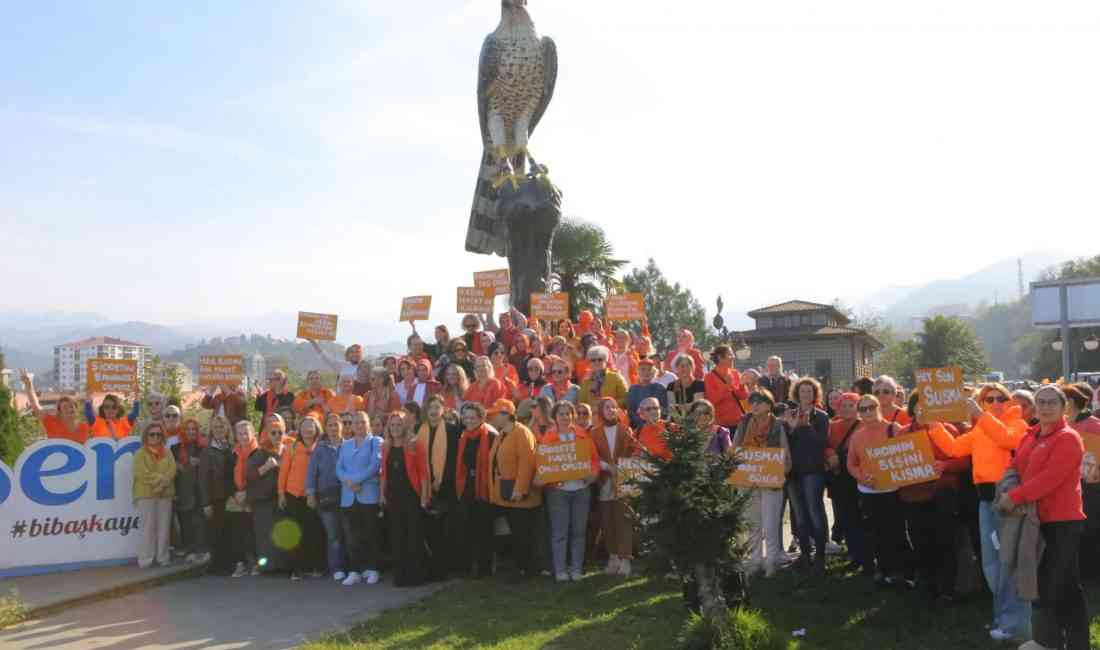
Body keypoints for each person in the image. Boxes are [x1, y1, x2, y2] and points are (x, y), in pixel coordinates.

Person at [927, 383, 1030, 641]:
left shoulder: (1017, 424)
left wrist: (979, 415)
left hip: (1006, 499)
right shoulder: (980, 428)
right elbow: (953, 448)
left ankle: (1014, 625)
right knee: (991, 562)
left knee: (1008, 562)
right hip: (984, 500)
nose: (995, 403)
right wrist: (933, 426)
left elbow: (1007, 439)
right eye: (988, 399)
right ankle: (1002, 618)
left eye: (1000, 398)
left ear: (1009, 402)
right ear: (982, 403)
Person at [1003, 385, 1088, 650]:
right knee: (1066, 587)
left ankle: (1047, 643)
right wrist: (1007, 486)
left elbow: (1049, 479)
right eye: (1041, 402)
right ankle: (1076, 644)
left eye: (1052, 402)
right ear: (1034, 407)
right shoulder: (1030, 435)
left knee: (1047, 587)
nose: (1046, 407)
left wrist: (1014, 497)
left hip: (1062, 522)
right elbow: (1015, 466)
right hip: (1035, 520)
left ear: (1065, 407)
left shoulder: (1068, 438)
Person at [898, 392, 971, 602]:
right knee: (921, 544)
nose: (923, 411)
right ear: (912, 409)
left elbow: (964, 462)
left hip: (942, 495)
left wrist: (945, 466)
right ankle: (929, 587)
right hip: (913, 497)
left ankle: (947, 590)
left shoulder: (947, 430)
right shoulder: (902, 433)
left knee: (945, 543)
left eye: (927, 407)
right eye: (919, 407)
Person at [847, 394, 913, 586]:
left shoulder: (894, 429)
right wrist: (862, 477)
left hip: (893, 490)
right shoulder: (857, 436)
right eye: (863, 409)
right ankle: (884, 571)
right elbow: (851, 464)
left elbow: (908, 454)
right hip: (869, 492)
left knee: (898, 532)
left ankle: (906, 573)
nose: (867, 412)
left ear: (878, 407)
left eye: (870, 407)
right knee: (876, 534)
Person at [536, 401, 600, 582]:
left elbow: (594, 460)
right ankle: (561, 570)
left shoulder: (583, 436)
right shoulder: (548, 438)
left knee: (579, 532)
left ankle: (577, 569)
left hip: (581, 490)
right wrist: (552, 477)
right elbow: (543, 465)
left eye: (567, 413)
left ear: (573, 416)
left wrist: (592, 475)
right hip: (558, 491)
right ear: (555, 417)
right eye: (561, 414)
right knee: (559, 532)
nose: (564, 417)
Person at [733, 389, 791, 577]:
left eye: (759, 401)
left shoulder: (777, 424)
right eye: (752, 402)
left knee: (771, 522)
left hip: (770, 480)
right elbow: (735, 449)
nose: (755, 405)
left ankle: (772, 562)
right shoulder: (744, 422)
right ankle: (754, 560)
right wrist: (734, 469)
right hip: (747, 480)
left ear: (769, 404)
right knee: (752, 523)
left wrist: (780, 472)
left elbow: (785, 452)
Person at [487, 399, 542, 582]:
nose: (492, 418)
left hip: (521, 497)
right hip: (506, 495)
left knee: (523, 535)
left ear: (506, 415)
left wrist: (520, 489)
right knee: (516, 535)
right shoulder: (502, 434)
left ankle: (529, 570)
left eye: (495, 414)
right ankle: (521, 569)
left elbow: (527, 463)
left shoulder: (521, 433)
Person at [380, 411, 430, 587]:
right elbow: (384, 473)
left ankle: (416, 576)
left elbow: (424, 473)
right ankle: (401, 576)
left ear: (405, 426)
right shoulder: (385, 446)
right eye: (392, 425)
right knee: (397, 535)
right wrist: (382, 495)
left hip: (412, 496)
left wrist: (424, 496)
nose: (395, 428)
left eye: (398, 424)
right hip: (394, 497)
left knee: (413, 536)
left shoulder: (415, 444)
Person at [591, 397, 638, 577]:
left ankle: (626, 559)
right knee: (607, 519)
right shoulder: (594, 433)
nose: (611, 410)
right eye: (607, 407)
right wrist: (606, 467)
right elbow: (592, 455)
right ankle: (613, 557)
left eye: (614, 407)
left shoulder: (625, 430)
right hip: (604, 480)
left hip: (623, 478)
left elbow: (633, 451)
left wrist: (619, 466)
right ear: (601, 411)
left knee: (624, 519)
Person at [418, 395, 462, 580]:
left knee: (447, 531)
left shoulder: (453, 431)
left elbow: (455, 461)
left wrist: (441, 481)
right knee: (431, 532)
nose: (434, 411)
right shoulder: (419, 431)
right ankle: (434, 568)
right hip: (426, 489)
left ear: (443, 410)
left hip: (447, 487)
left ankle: (447, 568)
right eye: (430, 407)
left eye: (437, 407)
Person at [336, 412, 383, 586]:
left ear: (368, 424)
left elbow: (375, 465)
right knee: (352, 536)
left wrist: (355, 480)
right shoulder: (345, 444)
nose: (359, 425)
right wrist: (348, 482)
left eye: (362, 422)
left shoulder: (376, 442)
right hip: (348, 496)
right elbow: (338, 468)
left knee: (371, 533)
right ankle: (355, 570)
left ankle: (373, 569)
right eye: (355, 423)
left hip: (368, 495)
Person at [453, 402, 499, 577]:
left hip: (485, 487)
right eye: (466, 417)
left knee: (484, 530)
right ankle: (468, 567)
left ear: (481, 418)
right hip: (467, 487)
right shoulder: (464, 436)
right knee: (468, 528)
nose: (468, 420)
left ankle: (484, 569)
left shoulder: (491, 436)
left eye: (472, 417)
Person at [277, 415, 325, 580]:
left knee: (314, 532)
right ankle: (295, 569)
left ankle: (315, 566)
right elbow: (283, 472)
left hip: (313, 496)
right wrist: (281, 493)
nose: (307, 430)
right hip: (293, 495)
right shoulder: (291, 447)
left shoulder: (321, 447)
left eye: (310, 427)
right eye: (304, 427)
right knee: (295, 533)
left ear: (316, 429)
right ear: (300, 430)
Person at [1063, 384, 1100, 582]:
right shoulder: (1061, 425)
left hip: (1090, 485)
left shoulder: (1093, 425)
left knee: (1090, 528)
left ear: (1073, 402)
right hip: (1068, 485)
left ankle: (1091, 573)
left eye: (1063, 400)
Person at [306, 413, 347, 582]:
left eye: (336, 425)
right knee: (333, 535)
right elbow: (311, 472)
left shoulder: (349, 445)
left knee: (348, 532)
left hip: (347, 495)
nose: (333, 428)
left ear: (342, 427)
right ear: (326, 428)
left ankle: (351, 567)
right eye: (330, 425)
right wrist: (310, 493)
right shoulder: (320, 448)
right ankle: (336, 568)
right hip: (326, 496)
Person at [825, 392, 864, 568]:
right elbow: (825, 446)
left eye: (851, 405)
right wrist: (830, 454)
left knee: (861, 516)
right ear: (838, 408)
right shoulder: (832, 426)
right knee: (845, 516)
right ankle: (854, 553)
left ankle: (867, 555)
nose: (847, 409)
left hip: (859, 476)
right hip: (839, 476)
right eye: (843, 405)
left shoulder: (864, 425)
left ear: (858, 408)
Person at [247, 417, 288, 574]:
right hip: (263, 500)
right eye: (273, 433)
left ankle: (281, 565)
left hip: (280, 498)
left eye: (280, 432)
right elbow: (250, 475)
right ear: (267, 434)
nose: (277, 435)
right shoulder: (260, 452)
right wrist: (266, 467)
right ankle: (267, 567)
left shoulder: (287, 450)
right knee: (265, 534)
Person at [133, 422, 176, 568]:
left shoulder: (168, 452)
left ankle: (163, 558)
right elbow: (141, 473)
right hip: (146, 495)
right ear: (146, 435)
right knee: (148, 528)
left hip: (165, 495)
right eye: (152, 434)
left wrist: (162, 484)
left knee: (164, 528)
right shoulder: (140, 454)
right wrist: (160, 481)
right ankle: (146, 559)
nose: (155, 437)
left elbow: (172, 470)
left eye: (158, 434)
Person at [198, 415, 235, 574]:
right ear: (212, 430)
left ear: (227, 429)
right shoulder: (207, 451)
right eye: (216, 427)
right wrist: (206, 503)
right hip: (215, 498)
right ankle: (217, 567)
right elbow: (203, 479)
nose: (219, 430)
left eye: (222, 427)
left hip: (231, 497)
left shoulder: (232, 447)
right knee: (216, 532)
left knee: (229, 532)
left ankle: (229, 565)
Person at [20, 369, 90, 443]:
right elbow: (35, 406)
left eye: (72, 406)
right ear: (59, 412)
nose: (70, 409)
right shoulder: (51, 423)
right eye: (65, 407)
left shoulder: (85, 428)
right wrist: (29, 385)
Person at [171, 417, 204, 562]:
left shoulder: (203, 447)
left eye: (194, 429)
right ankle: (189, 550)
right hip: (182, 489)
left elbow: (208, 469)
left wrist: (200, 464)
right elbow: (170, 470)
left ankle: (200, 550)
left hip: (197, 490)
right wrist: (175, 467)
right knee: (184, 523)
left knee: (198, 523)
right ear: (183, 431)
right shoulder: (175, 448)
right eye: (188, 429)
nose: (191, 432)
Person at [230, 421, 259, 577]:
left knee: (252, 533)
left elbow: (261, 478)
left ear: (253, 434)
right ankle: (240, 564)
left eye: (246, 433)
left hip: (253, 497)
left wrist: (247, 493)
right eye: (240, 433)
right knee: (237, 532)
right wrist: (235, 493)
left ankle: (255, 563)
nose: (243, 436)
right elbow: (228, 475)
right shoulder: (234, 453)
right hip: (236, 497)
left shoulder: (259, 452)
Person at [705, 344, 749, 429]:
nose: (733, 357)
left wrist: (742, 385)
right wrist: (726, 386)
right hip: (720, 424)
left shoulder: (735, 373)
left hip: (738, 422)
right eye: (730, 354)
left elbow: (743, 396)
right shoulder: (709, 377)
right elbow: (712, 400)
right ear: (720, 358)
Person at [626, 359, 669, 429]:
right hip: (639, 428)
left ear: (653, 372)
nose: (646, 372)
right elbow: (631, 412)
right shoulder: (633, 389)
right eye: (643, 369)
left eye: (649, 369)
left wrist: (654, 421)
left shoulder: (660, 388)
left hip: (658, 427)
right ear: (638, 372)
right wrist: (642, 425)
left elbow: (665, 409)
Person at [667, 355, 706, 419]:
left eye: (688, 366)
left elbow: (697, 405)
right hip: (676, 424)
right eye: (682, 366)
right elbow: (672, 408)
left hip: (695, 421)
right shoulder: (671, 386)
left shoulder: (699, 384)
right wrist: (688, 406)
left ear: (692, 367)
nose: (685, 368)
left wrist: (679, 407)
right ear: (677, 368)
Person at [635, 397, 671, 461]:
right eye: (648, 409)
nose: (653, 411)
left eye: (656, 408)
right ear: (642, 413)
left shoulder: (671, 427)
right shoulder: (638, 432)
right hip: (646, 469)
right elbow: (636, 456)